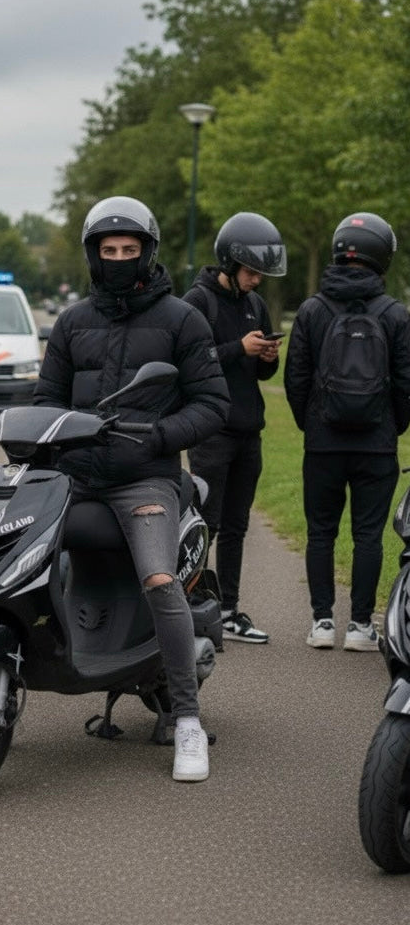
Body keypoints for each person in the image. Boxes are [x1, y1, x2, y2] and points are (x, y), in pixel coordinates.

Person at [34, 197, 230, 782]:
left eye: (129, 249)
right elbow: (47, 398)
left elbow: (213, 402)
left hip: (145, 478)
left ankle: (187, 720)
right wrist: (42, 439)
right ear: (93, 255)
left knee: (159, 580)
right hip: (76, 477)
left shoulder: (182, 320)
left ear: (147, 252)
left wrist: (160, 436)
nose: (119, 258)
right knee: (16, 554)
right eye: (108, 250)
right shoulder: (72, 322)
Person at [285, 212, 410, 651]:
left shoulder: (312, 310)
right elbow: (406, 382)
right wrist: (394, 425)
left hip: (323, 443)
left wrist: (311, 423)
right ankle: (359, 626)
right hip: (377, 445)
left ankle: (322, 623)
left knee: (321, 531)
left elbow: (296, 379)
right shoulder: (395, 313)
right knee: (368, 536)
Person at [183, 212, 287, 644]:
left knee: (237, 526)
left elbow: (259, 374)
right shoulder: (196, 303)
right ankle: (191, 607)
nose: (257, 280)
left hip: (248, 431)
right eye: (251, 271)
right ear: (229, 261)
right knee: (205, 524)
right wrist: (237, 348)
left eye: (261, 273)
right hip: (211, 432)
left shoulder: (255, 305)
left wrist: (267, 359)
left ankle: (227, 610)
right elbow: (189, 364)